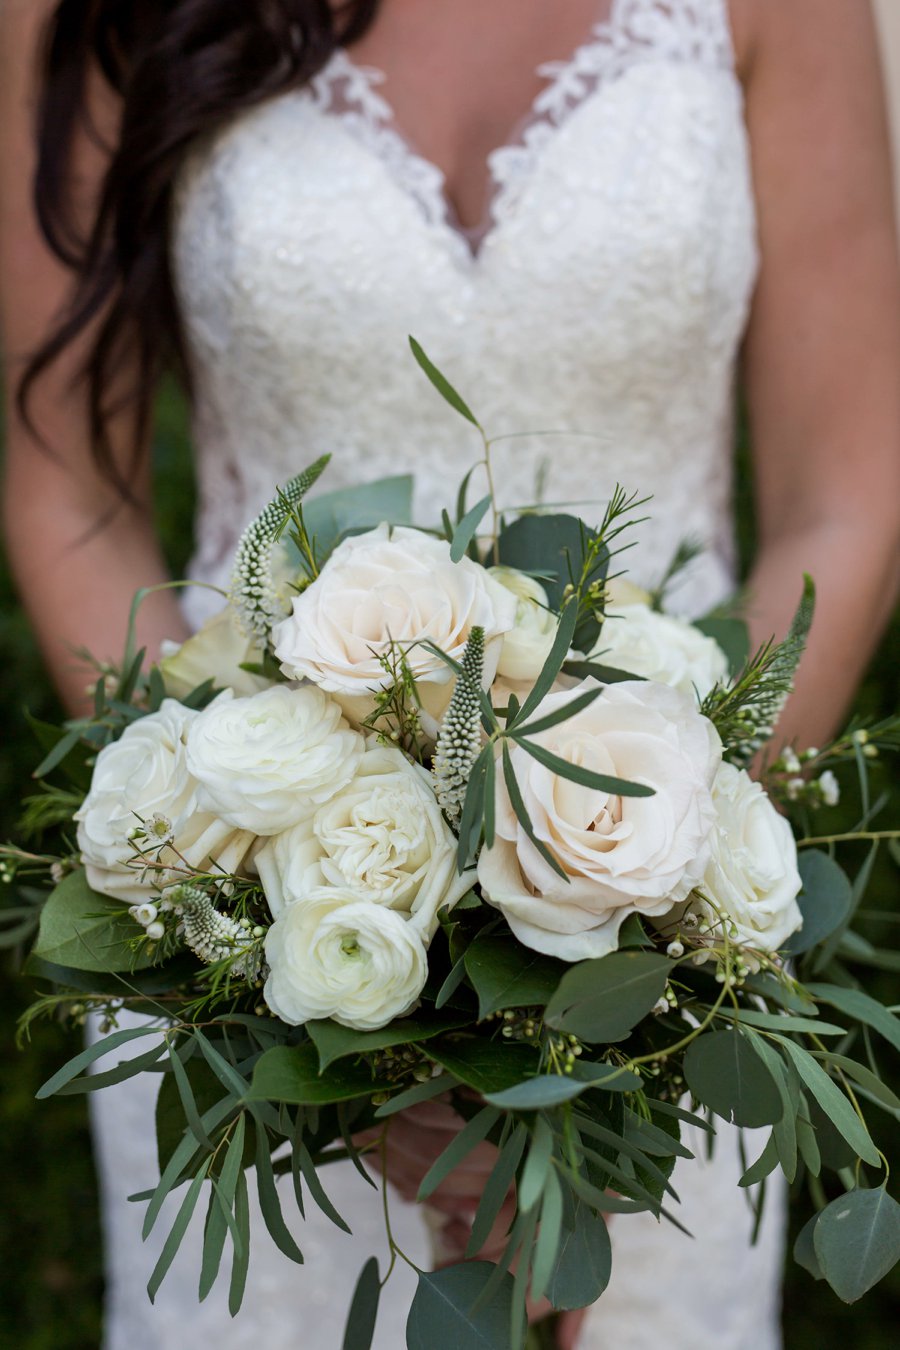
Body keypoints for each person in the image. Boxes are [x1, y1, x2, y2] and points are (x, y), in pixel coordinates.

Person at [2, 1, 899, 1347]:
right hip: (264, 986)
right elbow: (65, 483)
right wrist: (241, 918)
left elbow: (849, 492)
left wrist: (652, 911)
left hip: (658, 977)